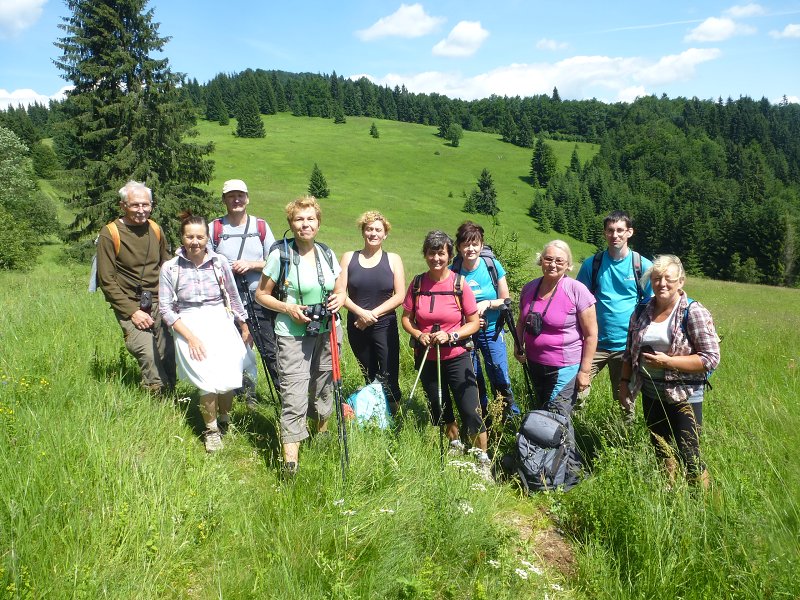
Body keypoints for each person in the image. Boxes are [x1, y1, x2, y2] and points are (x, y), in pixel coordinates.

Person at [254, 196, 344, 475]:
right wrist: (288, 307)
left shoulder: (327, 253)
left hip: (328, 331)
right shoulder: (280, 255)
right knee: (294, 393)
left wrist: (340, 299)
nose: (305, 224)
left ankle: (321, 433)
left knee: (323, 388)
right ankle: (290, 461)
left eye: (310, 219)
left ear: (318, 223)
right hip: (292, 335)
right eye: (299, 219)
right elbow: (261, 295)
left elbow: (340, 288)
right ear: (291, 224)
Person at [619, 255, 719, 488]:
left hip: (684, 395)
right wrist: (625, 382)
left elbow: (711, 358)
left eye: (668, 279)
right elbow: (628, 350)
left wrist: (669, 362)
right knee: (661, 449)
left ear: (681, 281)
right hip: (651, 392)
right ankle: (670, 496)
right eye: (656, 278)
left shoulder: (693, 311)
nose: (662, 284)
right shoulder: (642, 309)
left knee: (690, 455)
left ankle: (706, 506)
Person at [401, 231, 491, 480]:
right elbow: (406, 318)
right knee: (440, 408)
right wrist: (419, 334)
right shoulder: (418, 284)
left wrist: (451, 336)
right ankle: (454, 445)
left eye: (441, 253)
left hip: (457, 356)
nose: (436, 258)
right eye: (432, 252)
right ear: (425, 254)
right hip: (427, 357)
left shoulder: (459, 284)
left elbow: (474, 323)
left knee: (471, 410)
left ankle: (483, 461)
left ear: (449, 255)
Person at [159, 213, 251, 452]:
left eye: (200, 236)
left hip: (220, 319)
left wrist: (243, 324)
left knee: (229, 376)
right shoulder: (170, 268)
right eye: (190, 236)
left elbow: (232, 295)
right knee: (207, 381)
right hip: (187, 323)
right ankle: (211, 431)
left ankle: (225, 421)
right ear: (182, 238)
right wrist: (190, 337)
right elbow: (166, 309)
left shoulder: (219, 262)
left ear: (207, 238)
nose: (195, 242)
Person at [96, 181, 175, 394]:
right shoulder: (110, 233)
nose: (141, 210)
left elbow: (166, 266)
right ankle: (159, 403)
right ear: (123, 206)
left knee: (169, 353)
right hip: (129, 303)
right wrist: (133, 312)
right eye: (135, 205)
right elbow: (106, 280)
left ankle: (175, 400)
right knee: (148, 353)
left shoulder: (155, 229)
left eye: (145, 205)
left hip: (159, 300)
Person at [576, 210, 652, 416]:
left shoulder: (642, 266)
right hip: (594, 343)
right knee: (576, 393)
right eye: (610, 230)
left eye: (620, 230)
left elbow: (654, 303)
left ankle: (623, 440)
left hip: (626, 346)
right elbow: (578, 301)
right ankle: (567, 436)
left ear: (630, 232)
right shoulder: (592, 264)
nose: (615, 235)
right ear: (604, 233)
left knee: (625, 401)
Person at [210, 179, 278, 405]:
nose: (236, 200)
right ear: (224, 200)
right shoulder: (214, 228)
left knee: (270, 350)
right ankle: (243, 396)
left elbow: (275, 260)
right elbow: (206, 262)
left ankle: (285, 398)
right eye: (231, 196)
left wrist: (250, 264)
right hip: (226, 301)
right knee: (232, 350)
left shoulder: (260, 226)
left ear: (247, 198)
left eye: (240, 195)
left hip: (258, 297)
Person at [515, 240, 597, 414]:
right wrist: (517, 344)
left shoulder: (577, 290)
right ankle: (548, 442)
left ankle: (564, 442)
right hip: (534, 363)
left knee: (556, 413)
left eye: (559, 261)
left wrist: (584, 371)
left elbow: (591, 335)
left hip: (564, 367)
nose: (553, 264)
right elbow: (521, 321)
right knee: (541, 413)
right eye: (548, 259)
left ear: (568, 265)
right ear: (541, 260)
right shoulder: (529, 288)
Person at [338, 211, 405, 414]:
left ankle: (394, 418)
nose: (373, 233)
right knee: (368, 372)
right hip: (357, 325)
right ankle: (375, 414)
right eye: (369, 229)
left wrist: (372, 315)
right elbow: (340, 293)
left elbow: (400, 295)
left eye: (378, 230)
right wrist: (361, 314)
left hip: (385, 326)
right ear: (363, 231)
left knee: (389, 375)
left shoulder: (393, 259)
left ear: (385, 234)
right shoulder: (349, 258)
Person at [452, 221, 519, 422]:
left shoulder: (492, 265)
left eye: (475, 244)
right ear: (459, 247)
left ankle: (510, 417)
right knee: (472, 377)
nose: (470, 248)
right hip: (466, 333)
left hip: (492, 331)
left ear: (481, 245)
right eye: (466, 244)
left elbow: (506, 300)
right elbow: (450, 306)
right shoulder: (454, 271)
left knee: (499, 373)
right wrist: (469, 317)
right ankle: (482, 418)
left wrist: (488, 303)